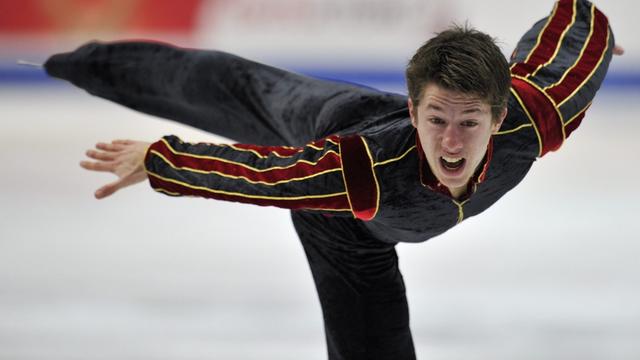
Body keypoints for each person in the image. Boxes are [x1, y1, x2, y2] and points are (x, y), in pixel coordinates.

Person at [44, 0, 622, 358]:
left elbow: (579, 33)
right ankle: (80, 61)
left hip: (372, 165)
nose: (451, 141)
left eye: (469, 122)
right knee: (234, 85)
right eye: (436, 119)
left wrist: (595, 44)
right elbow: (265, 175)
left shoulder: (533, 114)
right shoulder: (364, 170)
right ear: (414, 108)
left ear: (498, 117)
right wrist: (161, 159)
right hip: (344, 208)